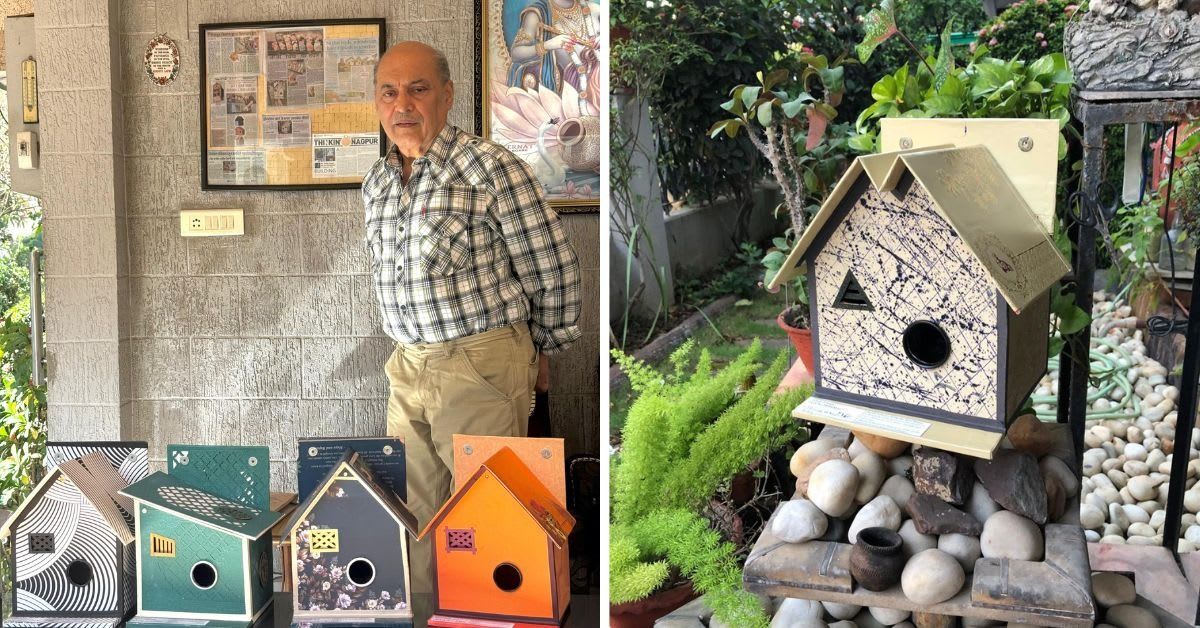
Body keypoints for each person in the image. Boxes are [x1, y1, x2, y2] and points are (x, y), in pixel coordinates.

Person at [361, 41, 580, 594]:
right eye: (389, 91)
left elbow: (550, 263)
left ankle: (483, 612)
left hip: (479, 364)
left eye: (418, 88)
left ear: (448, 95)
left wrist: (542, 352)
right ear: (377, 102)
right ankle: (428, 612)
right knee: (414, 514)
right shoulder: (378, 182)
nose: (402, 104)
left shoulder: (489, 167)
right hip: (407, 367)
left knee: (485, 516)